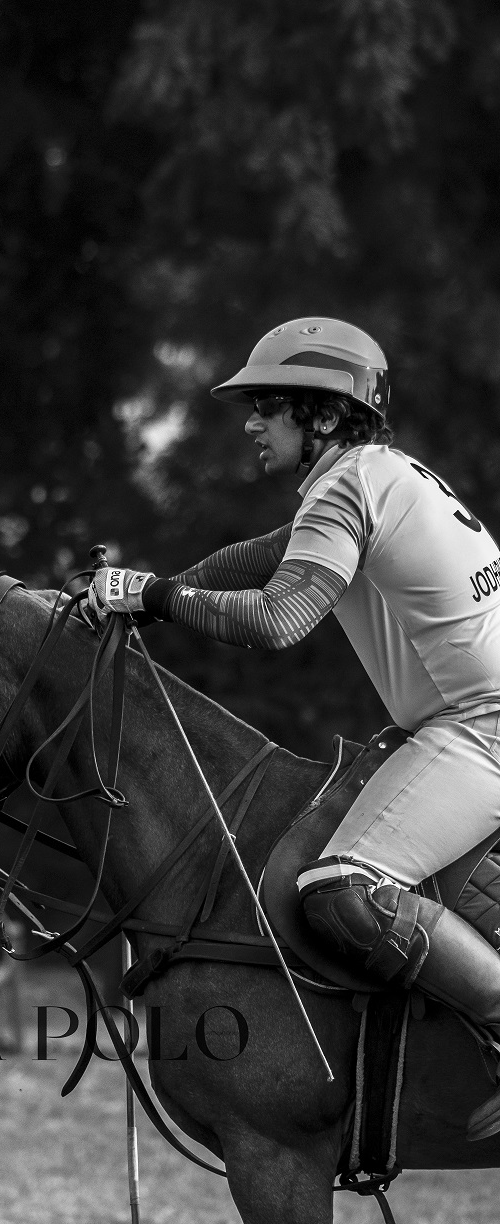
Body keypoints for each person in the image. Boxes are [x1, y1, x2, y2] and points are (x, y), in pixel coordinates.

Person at [87, 316, 500, 1141]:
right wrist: (148, 588)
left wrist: (156, 600)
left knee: (342, 885)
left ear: (322, 414)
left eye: (266, 406)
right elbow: (262, 559)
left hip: (483, 728)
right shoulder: (374, 475)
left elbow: (280, 618)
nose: (249, 423)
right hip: (469, 720)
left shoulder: (349, 485)